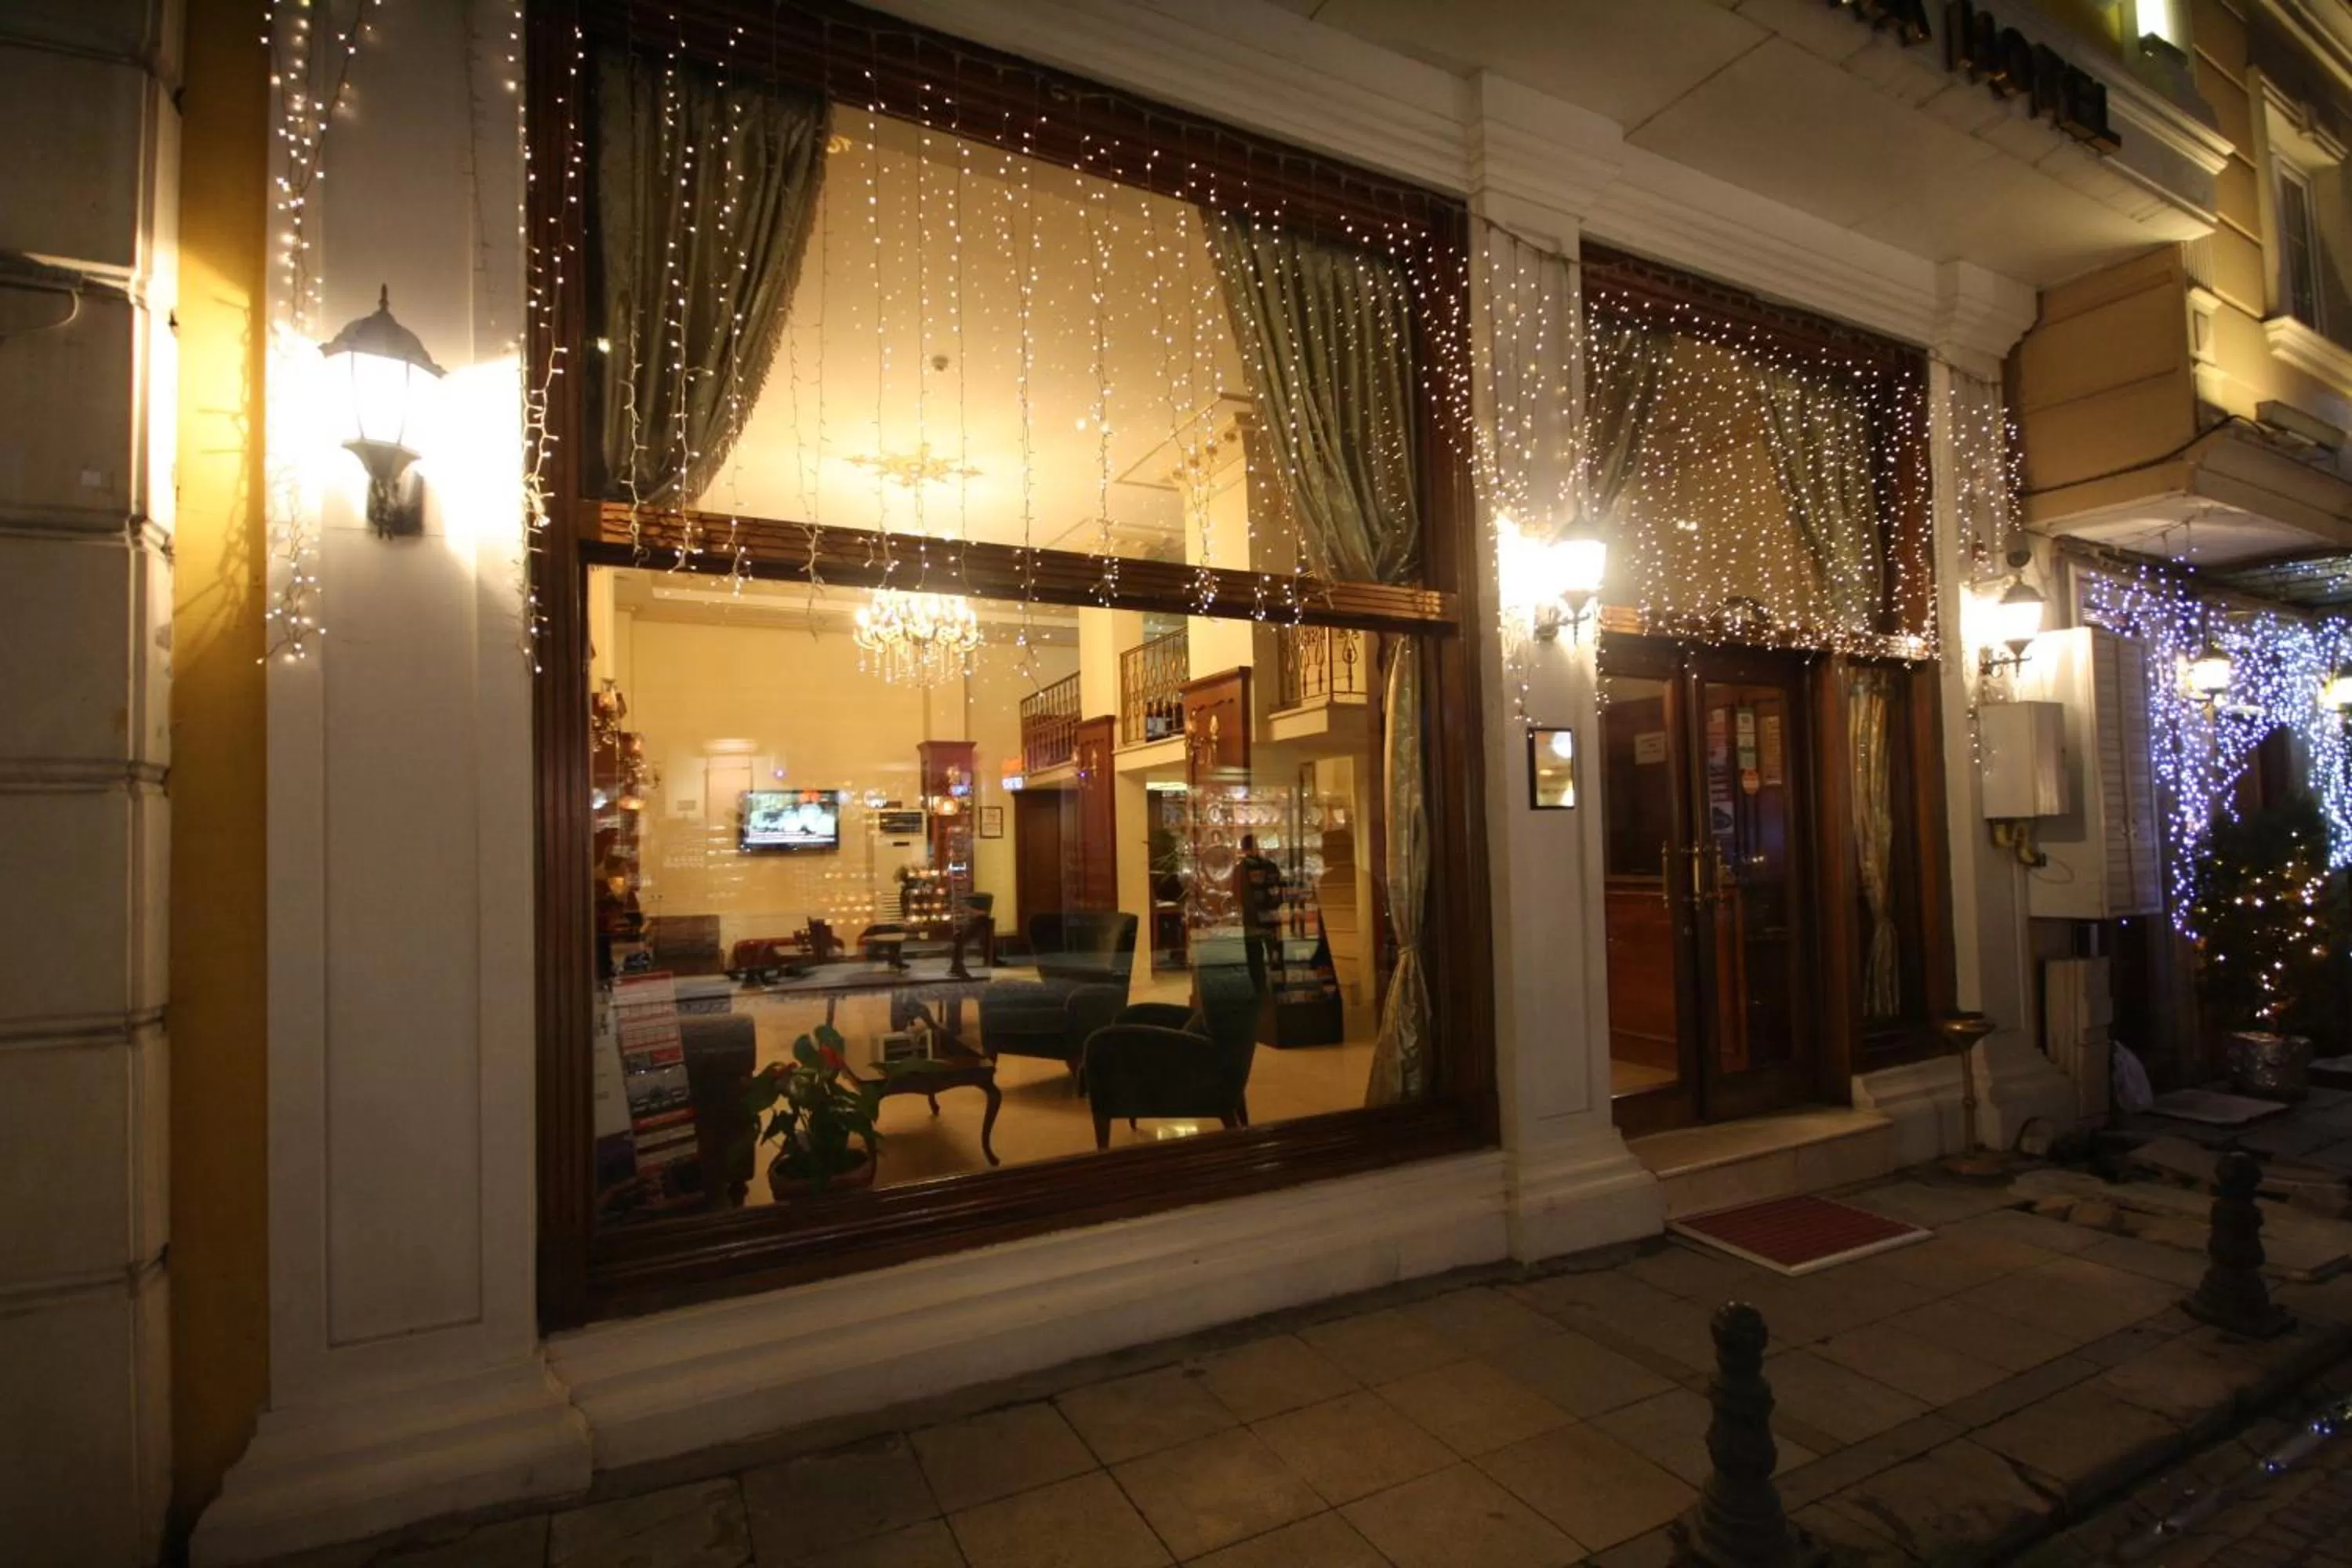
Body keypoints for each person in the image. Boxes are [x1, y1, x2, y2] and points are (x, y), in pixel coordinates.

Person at [1232, 833, 1284, 996]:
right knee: (1275, 954)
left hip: (1252, 919)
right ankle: (1278, 988)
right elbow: (1279, 889)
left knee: (1255, 957)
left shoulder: (1240, 868)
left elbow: (1237, 893)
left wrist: (1248, 908)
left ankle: (1260, 991)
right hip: (1271, 918)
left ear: (1242, 848)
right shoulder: (1271, 865)